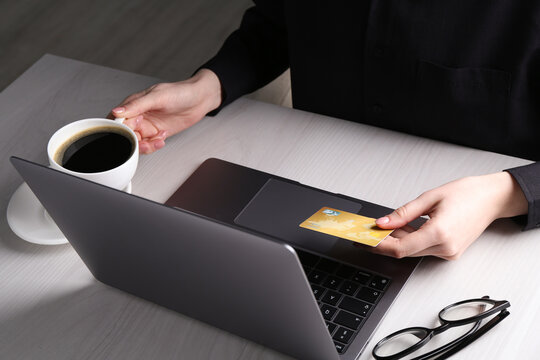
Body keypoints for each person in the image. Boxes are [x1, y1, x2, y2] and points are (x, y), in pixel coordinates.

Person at [110, 1, 539, 260]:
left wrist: (505, 195)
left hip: (487, 240)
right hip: (304, 190)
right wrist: (210, 86)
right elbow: (278, 23)